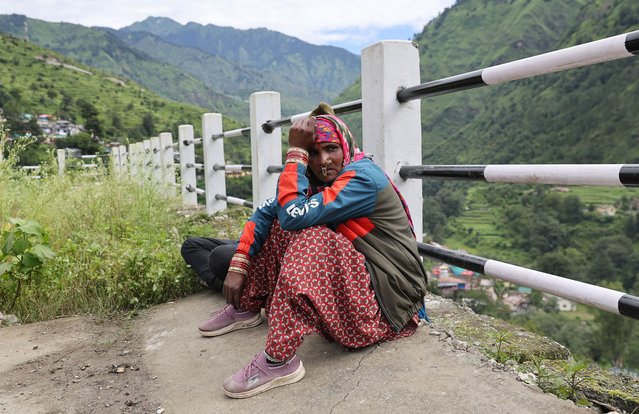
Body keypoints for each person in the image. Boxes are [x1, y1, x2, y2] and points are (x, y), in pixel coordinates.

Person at [197, 104, 428, 399]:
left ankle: (278, 360)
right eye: (315, 153)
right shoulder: (318, 182)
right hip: (361, 293)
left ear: (345, 145)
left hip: (386, 308)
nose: (324, 161)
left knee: (311, 234)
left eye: (331, 149)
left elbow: (294, 215)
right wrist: (239, 264)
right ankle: (248, 306)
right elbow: (270, 213)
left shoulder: (362, 178)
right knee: (283, 226)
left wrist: (295, 152)